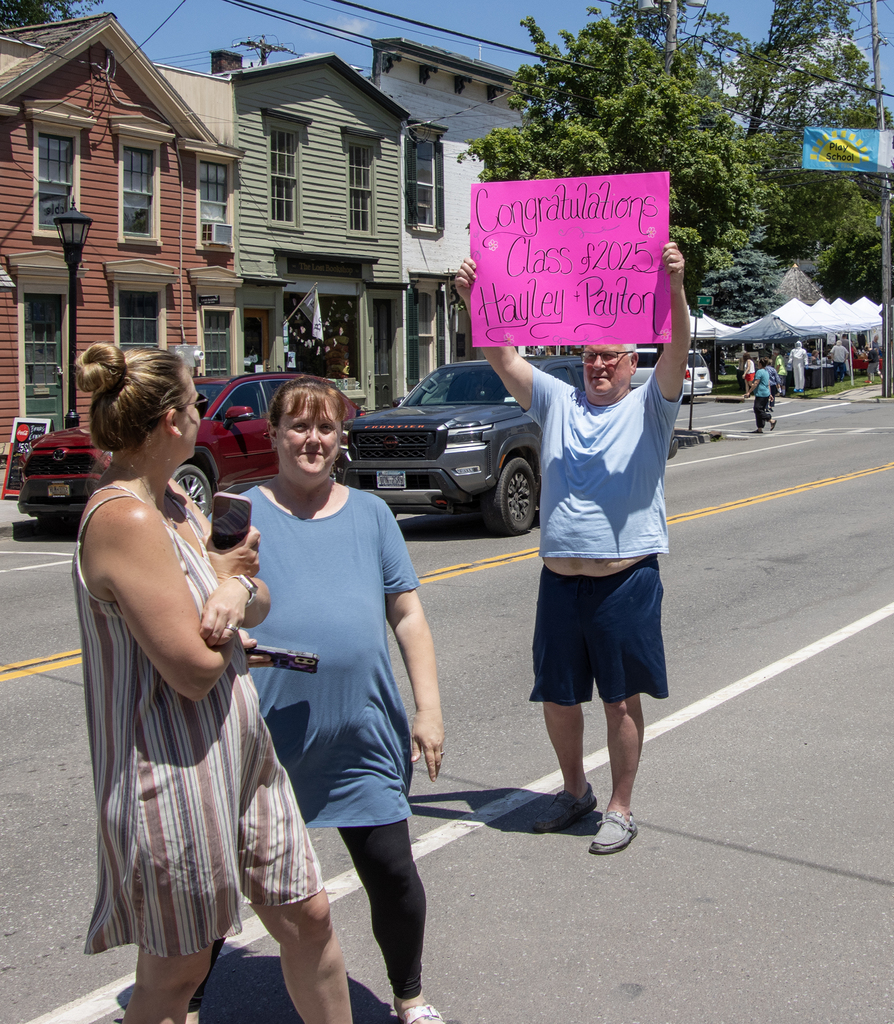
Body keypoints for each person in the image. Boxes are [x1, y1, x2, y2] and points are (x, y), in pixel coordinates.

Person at [72, 343, 352, 1024]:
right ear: (171, 421)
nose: (203, 412)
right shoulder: (124, 518)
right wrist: (231, 590)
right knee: (179, 970)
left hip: (238, 744)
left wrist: (235, 589)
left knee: (308, 917)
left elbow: (254, 598)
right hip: (170, 766)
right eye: (198, 402)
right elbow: (195, 670)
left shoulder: (176, 501)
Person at [221, 376, 446, 1024]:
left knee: (395, 878)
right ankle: (187, 990)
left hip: (360, 732)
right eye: (299, 425)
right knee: (221, 874)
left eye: (325, 427)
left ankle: (410, 997)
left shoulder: (372, 515)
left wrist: (427, 710)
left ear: (340, 437)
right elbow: (208, 606)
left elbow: (406, 614)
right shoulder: (240, 513)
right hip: (265, 738)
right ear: (273, 434)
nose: (312, 439)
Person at [454, 242, 688, 856]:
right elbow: (503, 356)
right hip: (560, 581)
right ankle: (575, 790)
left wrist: (675, 287)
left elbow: (679, 347)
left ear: (631, 360)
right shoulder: (558, 399)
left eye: (609, 356)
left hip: (625, 580)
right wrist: (475, 298)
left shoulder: (651, 405)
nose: (597, 366)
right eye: (589, 355)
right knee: (557, 696)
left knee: (619, 698)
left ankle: (621, 806)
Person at [751, 358, 776, 433]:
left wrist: (749, 392)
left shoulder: (759, 372)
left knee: (757, 409)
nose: (757, 365)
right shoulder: (766, 372)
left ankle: (770, 420)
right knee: (760, 410)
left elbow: (756, 383)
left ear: (761, 364)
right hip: (766, 393)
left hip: (760, 393)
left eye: (758, 363)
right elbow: (768, 383)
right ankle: (760, 428)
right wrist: (770, 393)